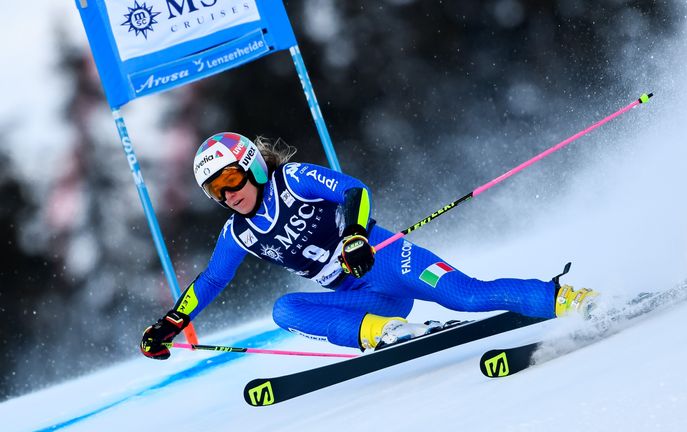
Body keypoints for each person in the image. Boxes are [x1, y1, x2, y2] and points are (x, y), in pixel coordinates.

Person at [140, 132, 596, 359]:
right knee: (284, 310)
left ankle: (569, 299)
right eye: (214, 190)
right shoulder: (237, 234)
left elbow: (353, 190)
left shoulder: (293, 180)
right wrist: (172, 323)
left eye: (230, 179)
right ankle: (385, 332)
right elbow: (212, 279)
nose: (227, 194)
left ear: (252, 167)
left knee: (467, 295)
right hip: (362, 298)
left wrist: (356, 236)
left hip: (386, 258)